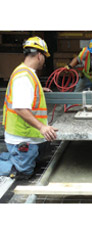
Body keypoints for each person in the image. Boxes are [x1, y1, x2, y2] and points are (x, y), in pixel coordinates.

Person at [0, 36, 58, 179]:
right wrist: (42, 127)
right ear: (39, 55)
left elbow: (25, 94)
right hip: (22, 136)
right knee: (23, 172)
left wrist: (37, 90)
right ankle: (15, 159)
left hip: (25, 135)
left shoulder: (25, 73)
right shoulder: (24, 78)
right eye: (44, 56)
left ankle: (12, 156)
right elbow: (20, 108)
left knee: (34, 160)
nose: (44, 60)